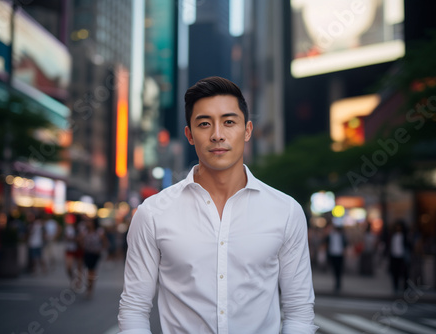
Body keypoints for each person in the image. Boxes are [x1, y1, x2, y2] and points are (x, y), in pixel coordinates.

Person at [118, 76, 317, 333]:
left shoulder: (286, 211)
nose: (217, 135)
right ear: (189, 135)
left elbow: (299, 310)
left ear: (247, 131)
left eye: (229, 122)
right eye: (204, 124)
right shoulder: (153, 213)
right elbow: (134, 308)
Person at [80, 217, 107, 298]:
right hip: (87, 253)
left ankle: (90, 287)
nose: (88, 223)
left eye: (90, 222)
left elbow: (105, 242)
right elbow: (80, 240)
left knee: (92, 270)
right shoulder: (85, 231)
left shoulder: (99, 231)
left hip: (95, 254)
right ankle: (89, 286)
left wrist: (100, 249)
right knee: (88, 271)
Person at [324, 222, 348, 293]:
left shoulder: (342, 236)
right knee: (334, 269)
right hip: (333, 254)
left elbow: (345, 244)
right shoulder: (330, 235)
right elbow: (326, 242)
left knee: (339, 270)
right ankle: (336, 283)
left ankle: (338, 283)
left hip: (340, 254)